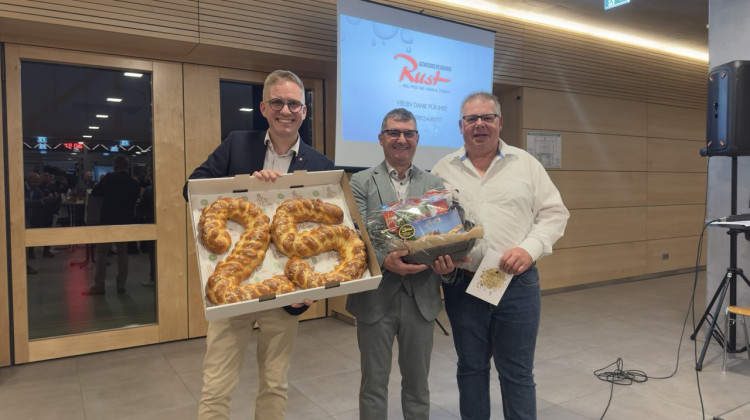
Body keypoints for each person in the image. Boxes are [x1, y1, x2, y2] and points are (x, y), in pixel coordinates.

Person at [184, 69, 333, 420]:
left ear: (304, 111)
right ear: (264, 108)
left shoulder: (320, 165)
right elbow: (190, 189)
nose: (286, 111)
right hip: (231, 286)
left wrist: (313, 288)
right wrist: (243, 184)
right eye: (277, 102)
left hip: (283, 290)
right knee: (217, 385)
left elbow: (322, 234)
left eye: (294, 104)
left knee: (275, 383)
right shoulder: (237, 145)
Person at [431, 92, 569, 419]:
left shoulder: (526, 164)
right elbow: (433, 225)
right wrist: (439, 256)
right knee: (471, 368)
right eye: (471, 119)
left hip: (516, 284)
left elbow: (555, 214)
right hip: (463, 285)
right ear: (461, 126)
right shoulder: (442, 170)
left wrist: (529, 249)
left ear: (500, 122)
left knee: (517, 372)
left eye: (487, 117)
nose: (479, 124)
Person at [346, 108, 459, 419]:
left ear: (417, 139)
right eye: (394, 132)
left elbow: (441, 234)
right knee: (373, 385)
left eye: (409, 133)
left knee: (418, 385)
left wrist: (446, 261)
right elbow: (357, 233)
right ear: (381, 138)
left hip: (421, 298)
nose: (401, 139)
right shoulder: (360, 182)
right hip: (374, 299)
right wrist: (386, 260)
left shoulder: (434, 183)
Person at [83, 155, 142, 295]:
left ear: (115, 166)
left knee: (102, 252)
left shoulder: (109, 178)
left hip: (107, 220)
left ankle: (99, 285)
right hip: (125, 222)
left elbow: (95, 193)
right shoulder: (133, 183)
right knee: (123, 253)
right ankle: (121, 285)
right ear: (127, 166)